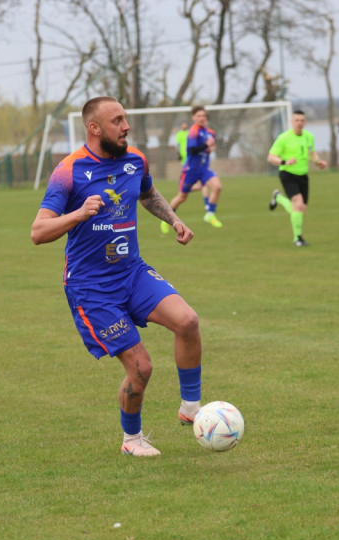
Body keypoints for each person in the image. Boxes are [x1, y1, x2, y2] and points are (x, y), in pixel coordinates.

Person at [32, 96, 203, 458]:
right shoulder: (69, 170)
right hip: (91, 288)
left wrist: (173, 220)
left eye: (125, 119)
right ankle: (132, 440)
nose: (126, 126)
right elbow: (38, 231)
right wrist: (77, 214)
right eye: (117, 120)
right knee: (141, 369)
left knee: (188, 321)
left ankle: (191, 410)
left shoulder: (135, 159)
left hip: (132, 271)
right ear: (94, 128)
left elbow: (147, 193)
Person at [267, 109, 328, 247]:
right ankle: (297, 239)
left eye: (302, 120)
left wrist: (318, 162)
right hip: (287, 174)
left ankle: (278, 198)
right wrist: (284, 162)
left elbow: (311, 153)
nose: (299, 123)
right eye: (297, 120)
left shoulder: (308, 137)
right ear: (292, 121)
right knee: (298, 204)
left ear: (305, 122)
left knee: (301, 209)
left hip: (303, 175)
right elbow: (271, 157)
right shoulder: (284, 138)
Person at [161, 105, 223, 232]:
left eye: (204, 116)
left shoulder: (210, 132)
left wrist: (211, 148)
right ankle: (166, 218)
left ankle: (210, 214)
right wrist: (207, 145)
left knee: (217, 187)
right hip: (191, 170)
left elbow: (211, 146)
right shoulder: (193, 132)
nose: (202, 118)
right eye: (199, 116)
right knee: (182, 197)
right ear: (193, 117)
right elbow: (193, 150)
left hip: (204, 169)